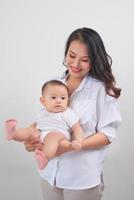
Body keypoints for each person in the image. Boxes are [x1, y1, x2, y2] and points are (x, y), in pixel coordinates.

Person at [23, 27, 122, 200]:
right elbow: (44, 118)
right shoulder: (55, 84)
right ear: (66, 52)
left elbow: (108, 134)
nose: (75, 64)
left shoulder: (101, 89)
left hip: (82, 179)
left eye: (84, 60)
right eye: (72, 55)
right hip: (49, 175)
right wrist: (30, 139)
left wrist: (72, 146)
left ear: (94, 60)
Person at [5, 80, 83, 169]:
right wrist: (29, 132)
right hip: (41, 133)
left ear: (67, 100)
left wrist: (78, 141)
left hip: (59, 135)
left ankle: (45, 158)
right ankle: (13, 133)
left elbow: (77, 128)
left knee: (51, 137)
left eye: (63, 98)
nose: (58, 101)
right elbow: (35, 124)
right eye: (53, 98)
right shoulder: (42, 112)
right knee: (30, 132)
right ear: (43, 101)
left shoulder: (67, 113)